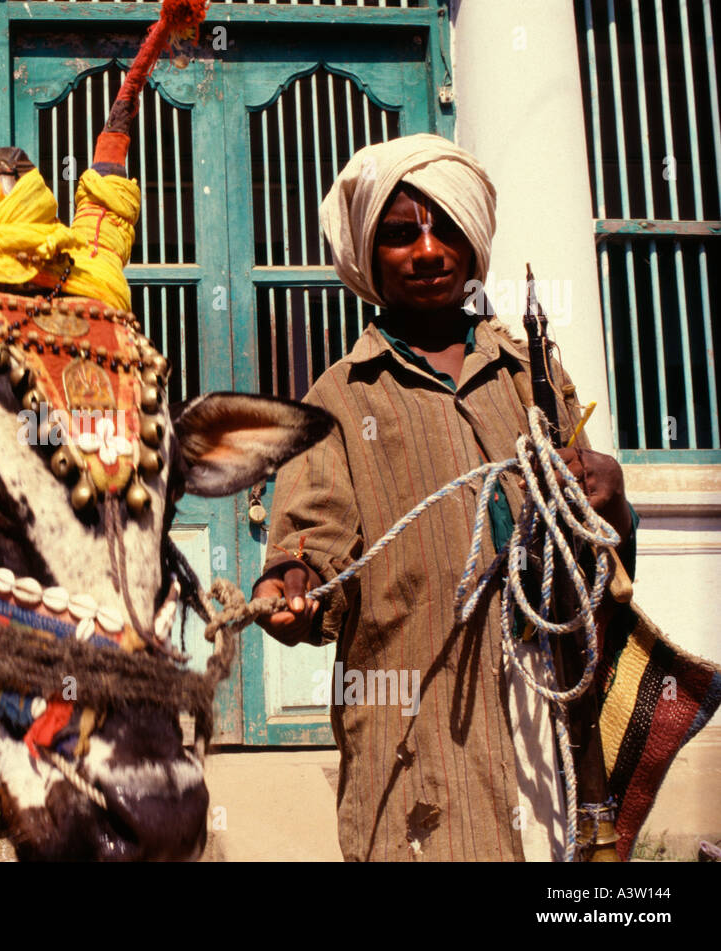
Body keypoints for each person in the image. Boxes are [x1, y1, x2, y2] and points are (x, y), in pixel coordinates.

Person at [253, 134, 636, 861]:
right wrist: (292, 585)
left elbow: (594, 565)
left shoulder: (533, 373)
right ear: (371, 254)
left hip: (552, 737)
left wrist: (609, 498)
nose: (427, 251)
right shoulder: (337, 399)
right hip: (418, 757)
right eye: (400, 234)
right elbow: (309, 552)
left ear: (473, 240)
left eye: (446, 228)